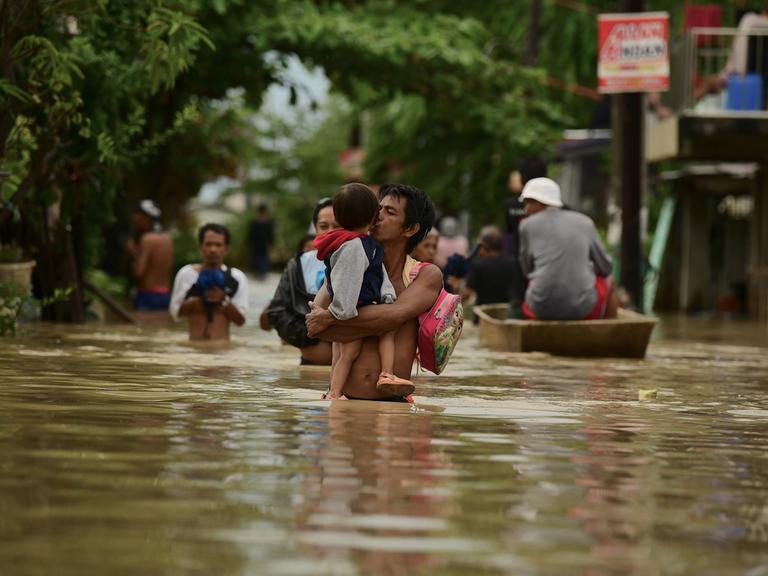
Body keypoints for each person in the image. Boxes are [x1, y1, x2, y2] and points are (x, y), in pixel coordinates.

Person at [306, 183, 441, 401]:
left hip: (392, 409)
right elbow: (316, 328)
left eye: (390, 212)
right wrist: (332, 321)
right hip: (342, 403)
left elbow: (393, 316)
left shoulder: (425, 275)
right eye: (378, 209)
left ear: (410, 229)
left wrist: (332, 318)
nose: (378, 216)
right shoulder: (347, 260)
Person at [518, 178, 618, 321]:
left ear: (541, 202)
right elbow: (606, 267)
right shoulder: (585, 222)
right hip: (583, 308)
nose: (526, 208)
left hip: (539, 308)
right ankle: (610, 334)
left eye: (529, 202)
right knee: (610, 281)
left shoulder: (526, 225)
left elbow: (527, 270)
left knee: (536, 280)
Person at [265, 197, 337, 365]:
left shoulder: (366, 261)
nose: (331, 232)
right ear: (316, 229)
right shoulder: (299, 264)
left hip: (356, 371)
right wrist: (311, 334)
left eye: (338, 226)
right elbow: (276, 312)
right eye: (324, 226)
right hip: (311, 367)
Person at [169, 223, 248, 340]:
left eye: (218, 245)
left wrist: (223, 300)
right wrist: (196, 302)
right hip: (193, 349)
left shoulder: (236, 277)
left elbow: (241, 321)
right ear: (200, 246)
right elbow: (175, 314)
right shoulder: (186, 274)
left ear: (226, 249)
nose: (213, 249)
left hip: (223, 350)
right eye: (208, 244)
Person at [504, 157, 547, 307]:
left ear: (522, 179)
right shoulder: (554, 207)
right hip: (546, 264)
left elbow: (509, 233)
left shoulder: (511, 206)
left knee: (519, 307)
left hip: (519, 266)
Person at [462, 226, 519, 322]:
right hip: (505, 316)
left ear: (485, 246)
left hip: (483, 317)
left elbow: (467, 293)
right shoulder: (512, 262)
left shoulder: (477, 264)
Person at [125, 200, 174, 311]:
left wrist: (133, 253)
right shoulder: (168, 238)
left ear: (146, 218)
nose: (134, 219)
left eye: (137, 216)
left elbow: (139, 272)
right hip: (165, 294)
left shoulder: (147, 239)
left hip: (148, 295)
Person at [248, 204, 274, 280]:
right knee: (260, 257)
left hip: (258, 243)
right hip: (261, 243)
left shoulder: (255, 222)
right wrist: (271, 243)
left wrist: (249, 242)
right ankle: (260, 273)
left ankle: (261, 273)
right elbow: (271, 235)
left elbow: (251, 234)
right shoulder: (267, 222)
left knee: (260, 258)